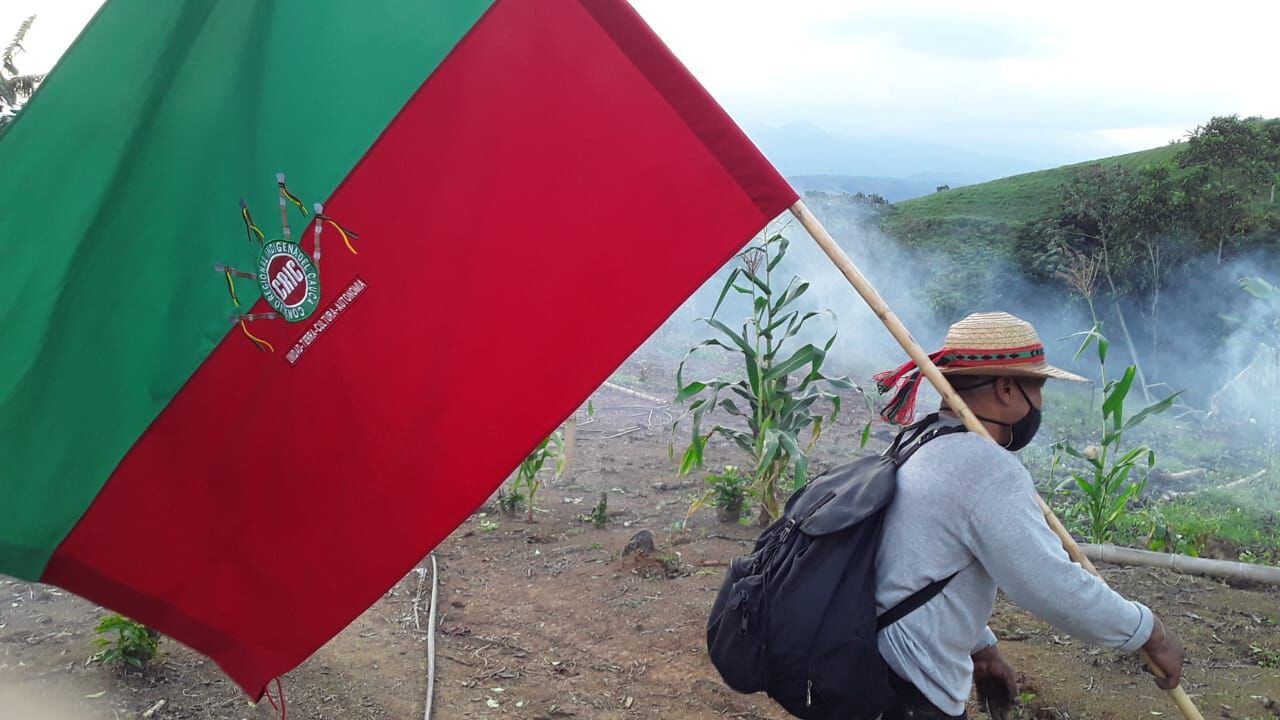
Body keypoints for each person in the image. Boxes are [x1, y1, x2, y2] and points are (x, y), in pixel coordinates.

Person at [871, 311, 1185, 719]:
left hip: (873, 659)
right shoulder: (984, 467)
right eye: (1037, 388)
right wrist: (1150, 633)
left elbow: (917, 565)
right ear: (1006, 388)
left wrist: (980, 647)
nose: (1039, 403)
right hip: (906, 686)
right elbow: (1051, 586)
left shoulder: (919, 439)